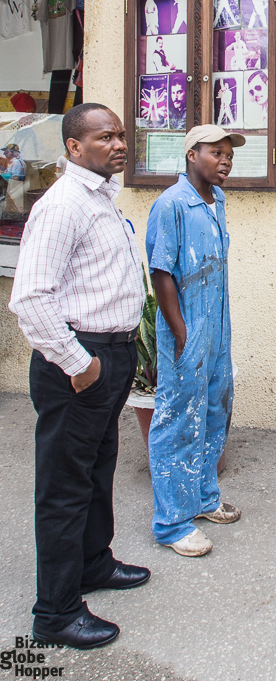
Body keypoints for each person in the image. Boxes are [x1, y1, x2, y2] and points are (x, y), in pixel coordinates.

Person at [9, 104, 149, 650]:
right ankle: (57, 613)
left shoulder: (101, 200)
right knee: (65, 487)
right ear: (73, 148)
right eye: (103, 137)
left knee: (97, 468)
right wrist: (79, 364)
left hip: (109, 357)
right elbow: (31, 299)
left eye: (120, 134)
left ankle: (94, 563)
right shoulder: (62, 205)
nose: (118, 144)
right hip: (77, 362)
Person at [145, 124, 245, 556]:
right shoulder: (170, 205)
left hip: (217, 329)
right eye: (216, 152)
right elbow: (161, 272)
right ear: (191, 155)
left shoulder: (217, 200)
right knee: (177, 421)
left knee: (214, 410)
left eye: (229, 155)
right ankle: (171, 524)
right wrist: (182, 334)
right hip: (186, 332)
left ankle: (203, 499)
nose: (225, 160)